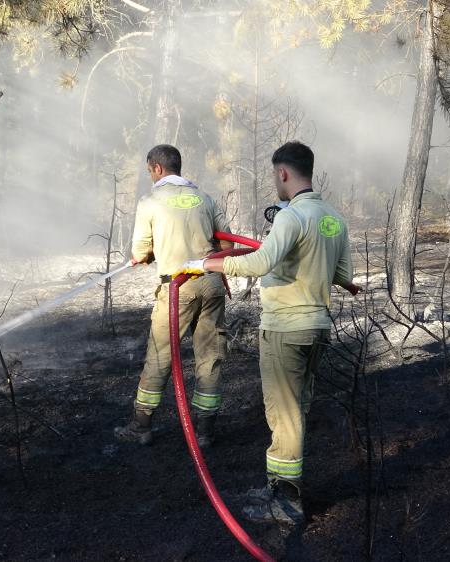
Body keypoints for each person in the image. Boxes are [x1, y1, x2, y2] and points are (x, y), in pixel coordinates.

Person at [183, 141, 359, 525]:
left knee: (284, 415)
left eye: (274, 175)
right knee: (297, 409)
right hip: (317, 328)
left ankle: (285, 503)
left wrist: (208, 263)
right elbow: (344, 276)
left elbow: (261, 262)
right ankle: (280, 485)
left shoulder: (291, 218)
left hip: (285, 327)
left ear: (283, 173)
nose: (275, 181)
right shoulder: (332, 218)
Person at [114, 144, 233, 448]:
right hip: (211, 284)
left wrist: (152, 253)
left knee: (160, 355)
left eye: (149, 171)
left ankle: (141, 427)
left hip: (177, 289)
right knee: (210, 357)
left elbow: (140, 251)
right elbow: (227, 244)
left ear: (156, 168)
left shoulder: (151, 201)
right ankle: (205, 431)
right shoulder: (204, 198)